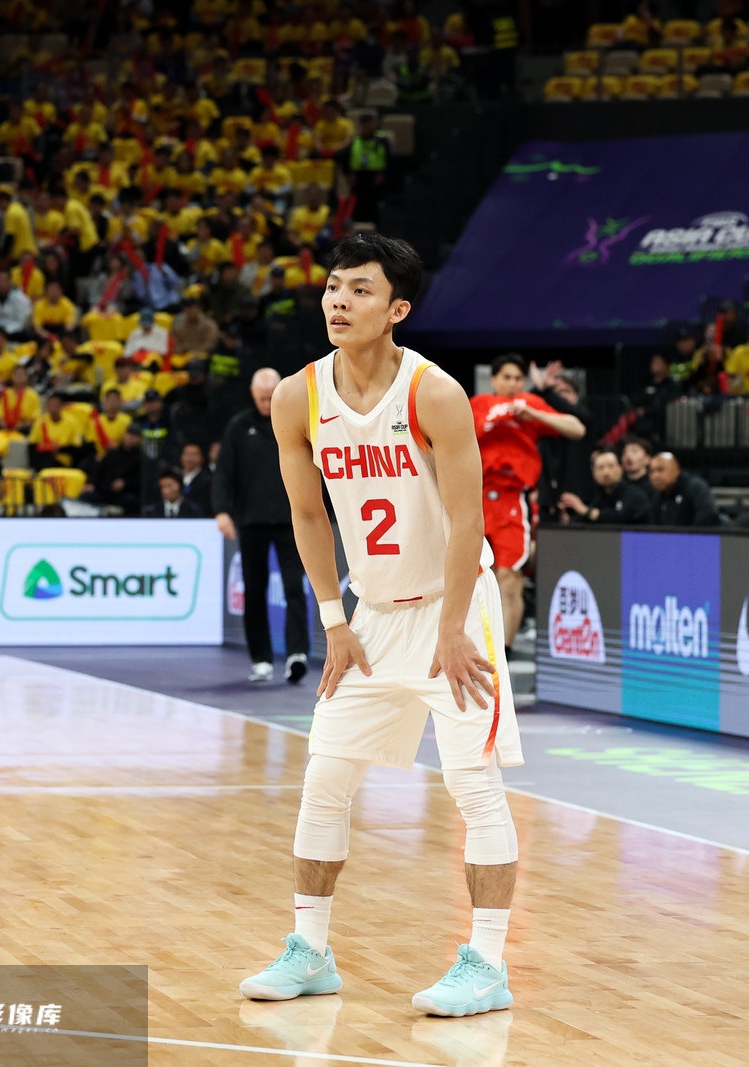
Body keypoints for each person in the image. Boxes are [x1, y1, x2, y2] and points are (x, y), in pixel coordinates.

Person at [241, 233, 523, 1019]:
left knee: (473, 785)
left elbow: (467, 520)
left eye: (359, 289)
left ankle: (488, 965)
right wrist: (333, 620)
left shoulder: (435, 393)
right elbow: (307, 514)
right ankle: (311, 952)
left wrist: (455, 626)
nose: (339, 300)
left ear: (397, 309)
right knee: (324, 779)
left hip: (452, 609)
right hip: (370, 616)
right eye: (333, 286)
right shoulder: (297, 396)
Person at [469, 355, 585, 654]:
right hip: (474, 498)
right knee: (470, 577)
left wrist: (535, 415)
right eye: (506, 377)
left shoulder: (529, 403)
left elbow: (576, 428)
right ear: (495, 380)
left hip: (512, 500)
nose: (512, 383)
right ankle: (474, 646)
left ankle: (504, 654)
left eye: (518, 378)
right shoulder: (478, 404)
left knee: (510, 577)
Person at [215, 368, 311, 685]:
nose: (267, 404)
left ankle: (297, 654)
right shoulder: (239, 427)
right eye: (262, 399)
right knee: (254, 590)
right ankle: (261, 659)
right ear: (252, 395)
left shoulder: (296, 420)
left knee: (294, 587)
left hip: (290, 518)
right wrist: (221, 511)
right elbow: (224, 471)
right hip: (251, 519)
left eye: (271, 397)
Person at [557, 447, 651, 525]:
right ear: (593, 473)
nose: (606, 473)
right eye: (600, 468)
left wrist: (587, 511)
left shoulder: (634, 495)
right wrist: (567, 520)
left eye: (611, 466)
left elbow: (620, 518)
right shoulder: (598, 496)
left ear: (621, 469)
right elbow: (586, 522)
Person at [647, 451, 719, 527]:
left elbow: (708, 517)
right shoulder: (657, 496)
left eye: (660, 470)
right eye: (651, 472)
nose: (655, 476)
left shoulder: (695, 487)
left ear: (676, 469)